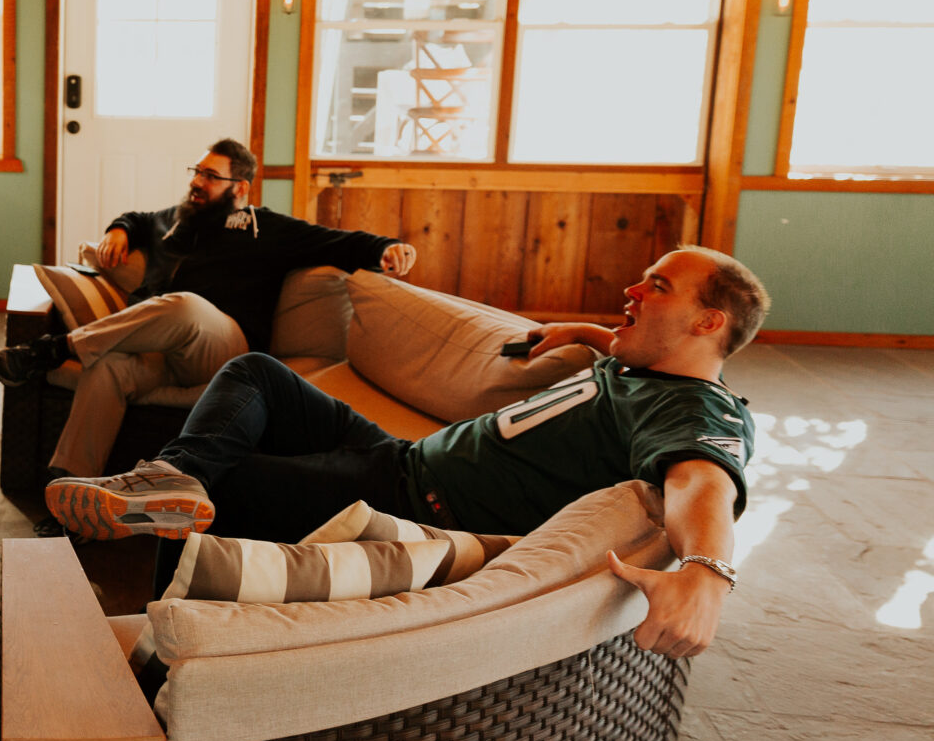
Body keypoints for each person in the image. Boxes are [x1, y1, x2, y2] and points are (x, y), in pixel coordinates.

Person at [44, 245, 770, 658]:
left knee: (231, 475)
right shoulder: (651, 366)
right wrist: (584, 334)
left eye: (658, 286)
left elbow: (704, 481)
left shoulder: (693, 408)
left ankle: (148, 640)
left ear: (709, 321)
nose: (631, 287)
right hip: (407, 458)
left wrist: (707, 575)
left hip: (411, 503)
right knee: (256, 372)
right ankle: (172, 478)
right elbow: (628, 359)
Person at [0, 138, 417, 478]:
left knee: (184, 306)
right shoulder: (177, 222)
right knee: (107, 367)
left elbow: (336, 241)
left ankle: (56, 348)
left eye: (211, 176)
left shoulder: (260, 227)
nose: (197, 182)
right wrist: (120, 229)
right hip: (161, 355)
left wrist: (388, 248)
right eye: (196, 171)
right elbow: (138, 218)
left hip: (224, 354)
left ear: (241, 189)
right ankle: (70, 492)